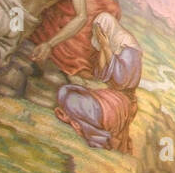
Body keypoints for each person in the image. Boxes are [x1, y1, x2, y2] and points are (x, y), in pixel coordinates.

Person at [55, 12, 142, 152]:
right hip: (108, 95)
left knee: (72, 100)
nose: (97, 36)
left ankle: (98, 134)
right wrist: (103, 47)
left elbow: (121, 80)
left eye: (99, 32)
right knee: (64, 91)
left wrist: (107, 47)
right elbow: (100, 75)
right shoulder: (112, 42)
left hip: (120, 103)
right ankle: (87, 121)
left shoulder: (130, 49)